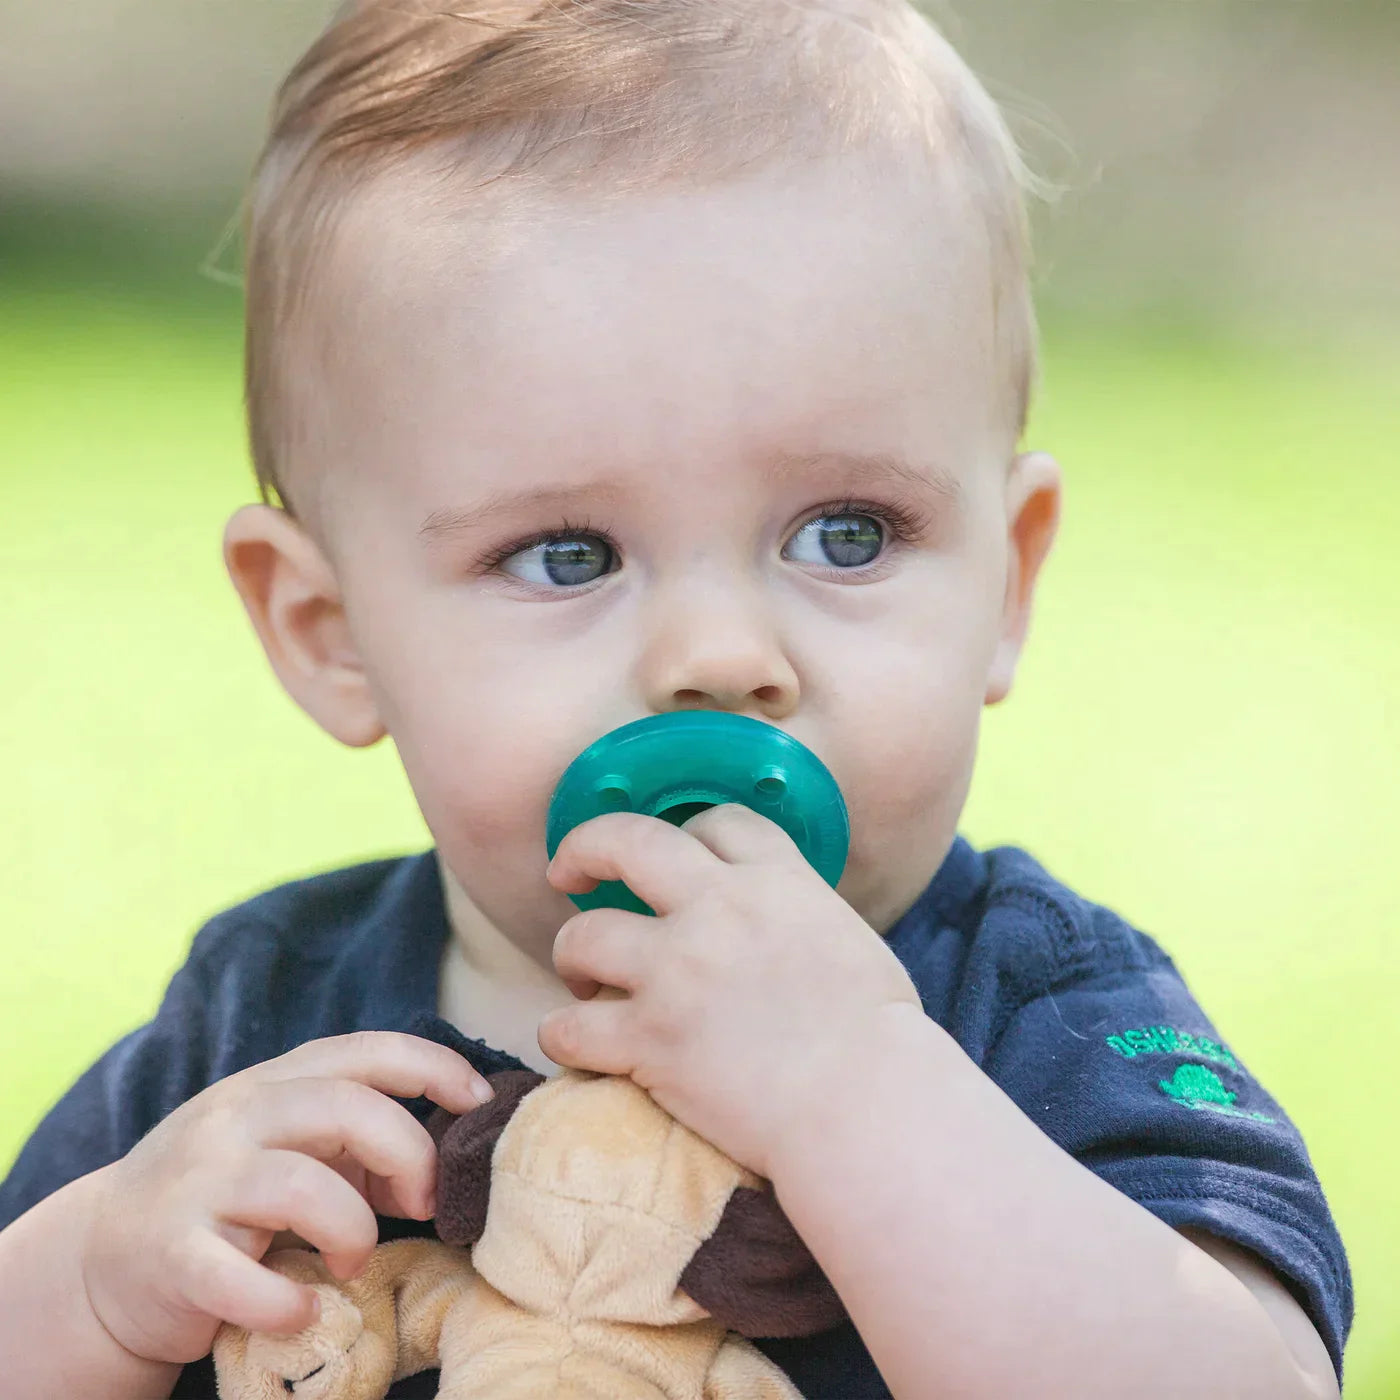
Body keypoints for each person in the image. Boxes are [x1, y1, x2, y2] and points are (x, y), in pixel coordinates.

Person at [0, 2, 1351, 1396]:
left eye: (847, 531)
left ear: (1004, 585)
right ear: (329, 632)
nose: (717, 653)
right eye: (565, 555)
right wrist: (91, 1284)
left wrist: (859, 1095)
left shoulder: (1043, 1012)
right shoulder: (259, 1024)